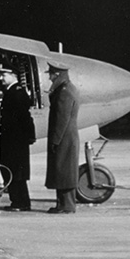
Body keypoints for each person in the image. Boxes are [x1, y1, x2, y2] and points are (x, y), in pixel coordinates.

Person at [0, 65, 36, 211]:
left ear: (13, 75)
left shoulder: (17, 93)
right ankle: (18, 201)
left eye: (4, 75)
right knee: (13, 170)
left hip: (15, 141)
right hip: (12, 140)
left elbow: (24, 118)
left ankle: (21, 202)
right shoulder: (12, 92)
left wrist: (22, 138)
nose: (1, 78)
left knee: (16, 172)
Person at [45, 62, 80, 214]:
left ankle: (67, 205)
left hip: (64, 137)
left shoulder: (64, 91)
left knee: (64, 171)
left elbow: (61, 119)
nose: (50, 78)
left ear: (57, 74)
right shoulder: (67, 88)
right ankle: (63, 204)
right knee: (63, 170)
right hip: (66, 137)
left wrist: (55, 140)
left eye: (51, 74)